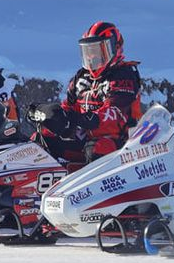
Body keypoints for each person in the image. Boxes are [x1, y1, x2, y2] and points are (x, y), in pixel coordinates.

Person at [33, 21, 142, 162]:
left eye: (98, 50)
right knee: (40, 139)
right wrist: (55, 117)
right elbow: (69, 106)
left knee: (98, 147)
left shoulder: (123, 75)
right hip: (83, 140)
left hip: (121, 146)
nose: (92, 56)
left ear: (115, 48)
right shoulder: (81, 78)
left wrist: (83, 119)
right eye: (89, 51)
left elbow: (115, 114)